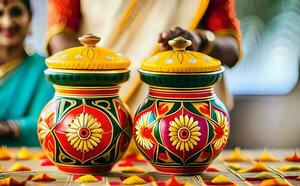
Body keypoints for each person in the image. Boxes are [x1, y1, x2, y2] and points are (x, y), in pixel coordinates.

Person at [46, 0, 241, 112]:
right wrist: (93, 75)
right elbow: (59, 35)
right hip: (99, 104)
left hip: (184, 111)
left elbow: (232, 50)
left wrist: (199, 40)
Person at [0, 0, 54, 146]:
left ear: (30, 18)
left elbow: (47, 124)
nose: (7, 22)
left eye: (16, 12)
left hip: (24, 164)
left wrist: (8, 128)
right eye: (0, 14)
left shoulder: (46, 69)